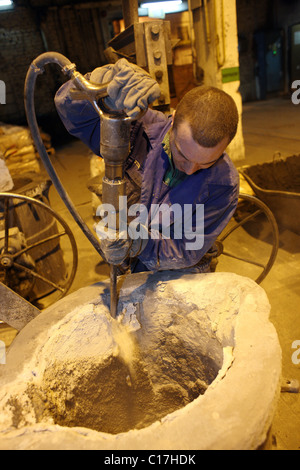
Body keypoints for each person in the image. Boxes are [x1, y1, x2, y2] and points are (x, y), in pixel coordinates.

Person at [55, 59, 240, 274]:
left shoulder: (224, 184)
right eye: (182, 154)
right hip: (131, 267)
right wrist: (102, 86)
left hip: (184, 273)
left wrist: (141, 243)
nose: (190, 170)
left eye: (206, 163)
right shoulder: (136, 129)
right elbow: (68, 109)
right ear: (173, 121)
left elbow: (187, 249)